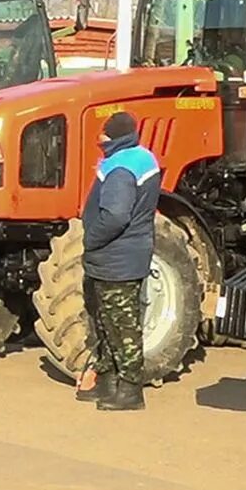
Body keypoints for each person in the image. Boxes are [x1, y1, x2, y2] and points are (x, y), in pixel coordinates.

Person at [78, 111, 161, 411]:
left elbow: (115, 215)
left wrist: (90, 240)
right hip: (121, 256)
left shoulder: (121, 168)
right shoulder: (140, 158)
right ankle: (108, 382)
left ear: (111, 136)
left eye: (102, 134)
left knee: (121, 325)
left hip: (117, 258)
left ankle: (129, 390)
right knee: (108, 323)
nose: (99, 139)